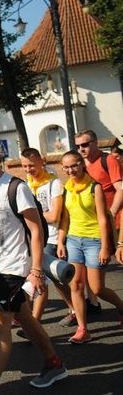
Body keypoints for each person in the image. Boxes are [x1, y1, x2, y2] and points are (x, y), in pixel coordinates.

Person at [0, 135, 69, 394]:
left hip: (14, 268)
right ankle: (55, 364)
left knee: (1, 328)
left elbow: (36, 230)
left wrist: (35, 271)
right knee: (24, 317)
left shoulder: (15, 187)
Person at [57, 150, 123, 344]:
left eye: (74, 165)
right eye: (67, 167)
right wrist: (61, 241)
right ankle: (82, 328)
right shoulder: (67, 189)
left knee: (97, 288)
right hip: (74, 240)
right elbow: (65, 219)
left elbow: (103, 219)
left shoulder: (95, 187)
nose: (71, 170)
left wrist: (105, 247)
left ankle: (121, 307)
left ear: (81, 164)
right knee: (76, 285)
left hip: (94, 241)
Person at [18, 148, 74, 328]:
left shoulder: (54, 183)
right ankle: (75, 309)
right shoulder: (28, 183)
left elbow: (55, 215)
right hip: (35, 237)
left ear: (42, 162)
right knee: (56, 280)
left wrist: (32, 215)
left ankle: (33, 323)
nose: (28, 170)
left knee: (40, 278)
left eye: (31, 166)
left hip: (51, 237)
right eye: (24, 166)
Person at [75, 129, 123, 314]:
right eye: (78, 146)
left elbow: (120, 189)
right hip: (92, 227)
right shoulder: (81, 165)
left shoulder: (108, 160)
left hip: (115, 225)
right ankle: (92, 303)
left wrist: (110, 212)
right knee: (88, 272)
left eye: (85, 145)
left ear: (95, 143)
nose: (82, 149)